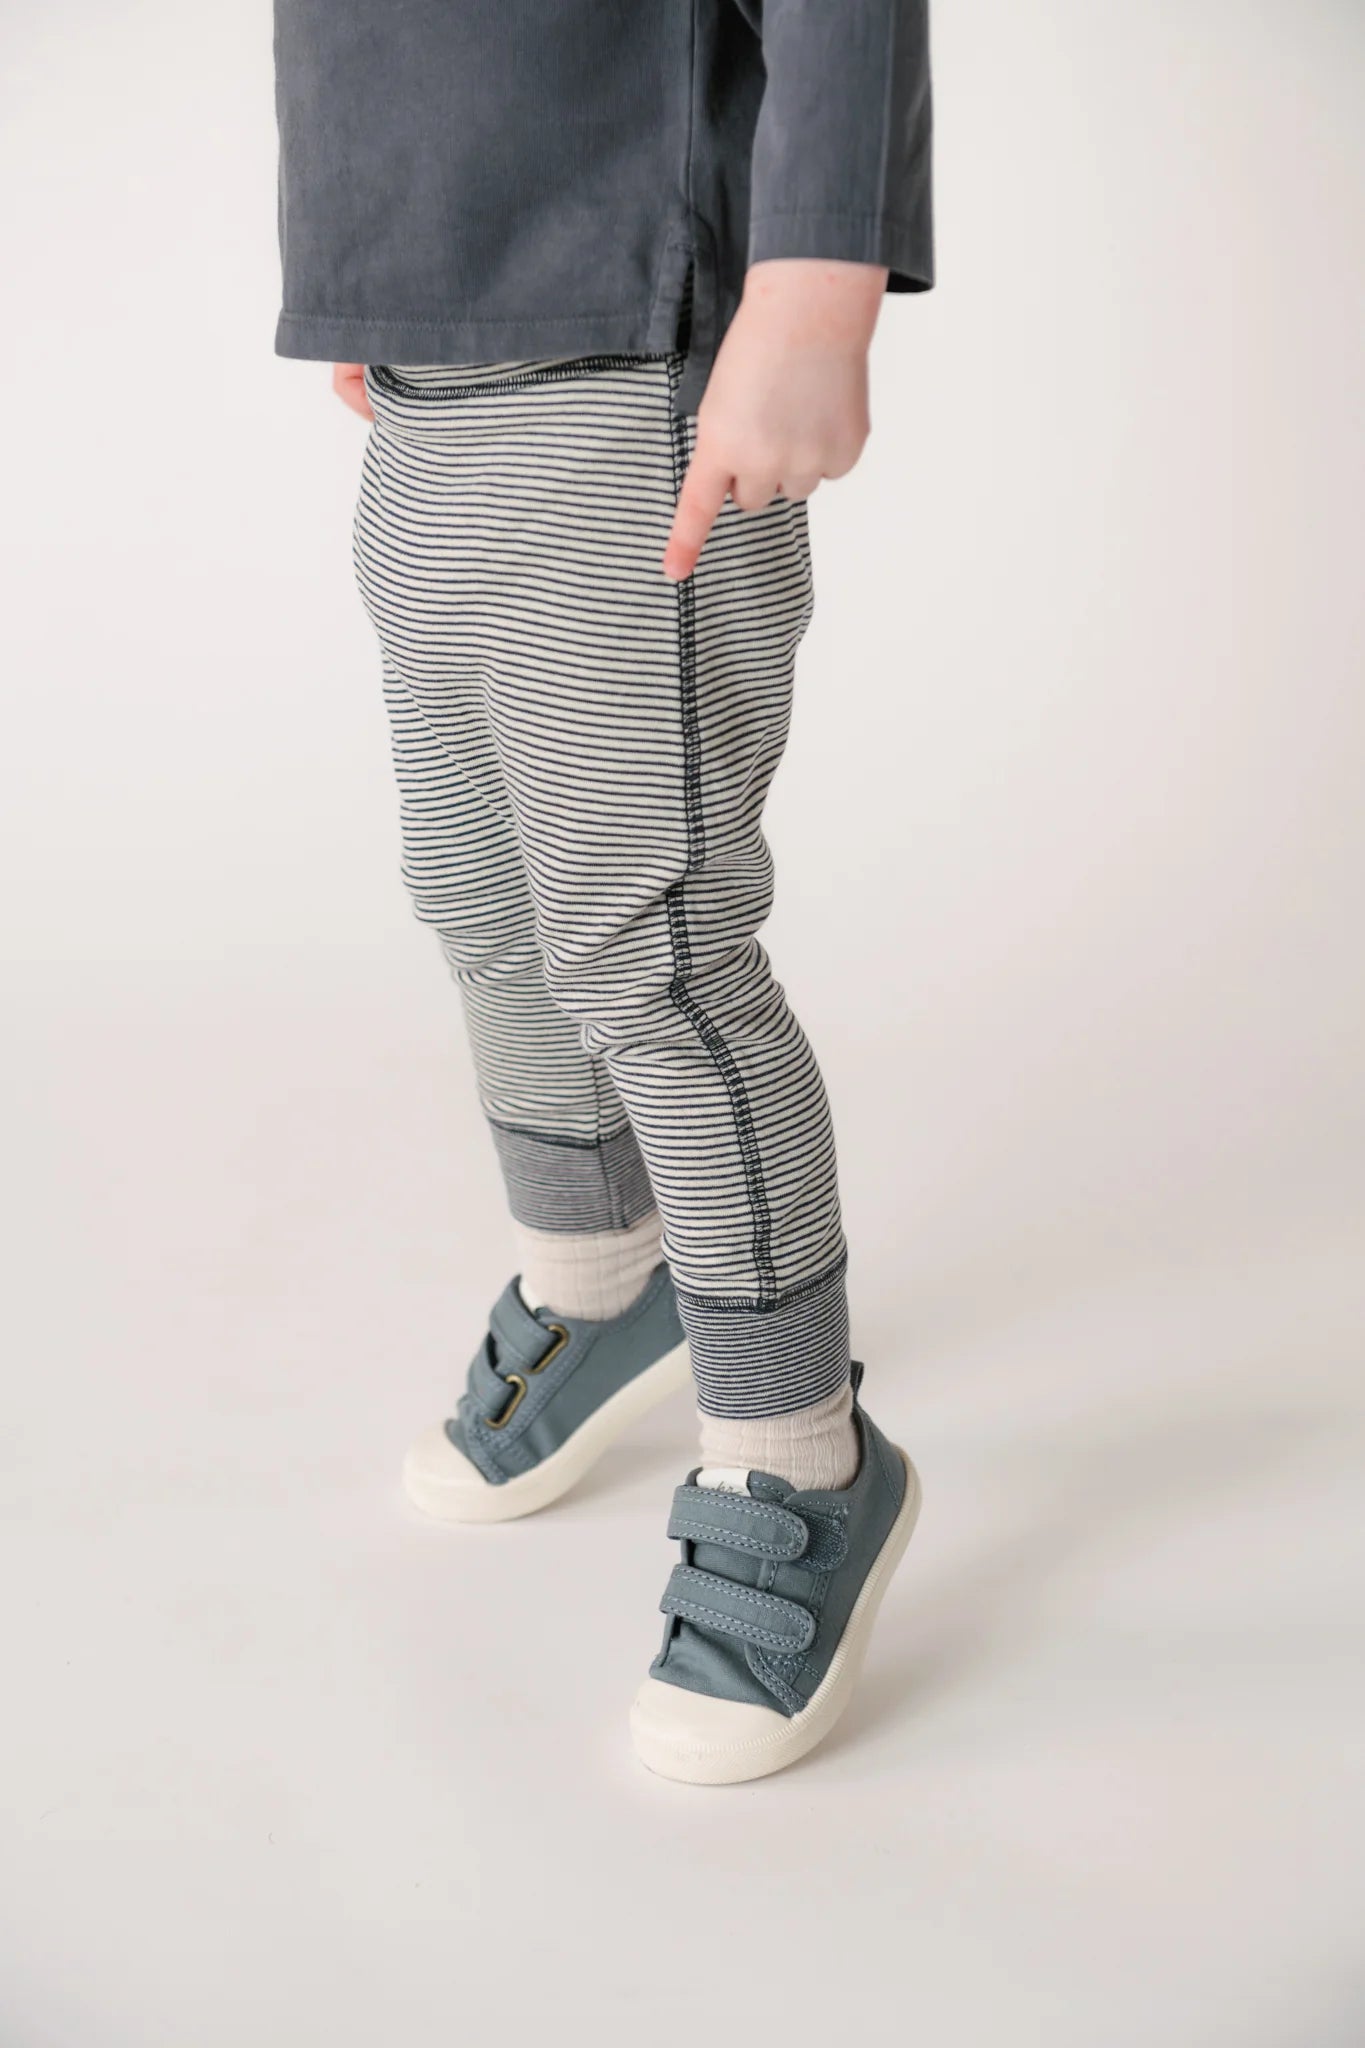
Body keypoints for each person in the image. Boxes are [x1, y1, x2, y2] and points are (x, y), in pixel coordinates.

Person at [272, 0, 933, 1784]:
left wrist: (816, 283)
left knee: (650, 951)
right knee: (475, 893)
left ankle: (801, 1455)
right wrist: (373, 257)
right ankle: (596, 1269)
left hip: (633, 349)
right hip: (431, 349)